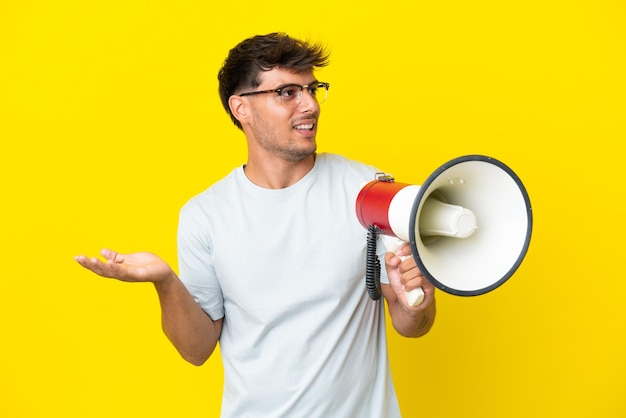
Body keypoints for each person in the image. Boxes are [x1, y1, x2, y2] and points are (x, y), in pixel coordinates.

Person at [74, 32, 436, 417]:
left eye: (313, 89)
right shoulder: (205, 215)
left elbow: (412, 322)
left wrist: (418, 300)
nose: (310, 104)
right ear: (240, 107)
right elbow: (196, 351)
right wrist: (165, 282)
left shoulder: (369, 191)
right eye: (287, 92)